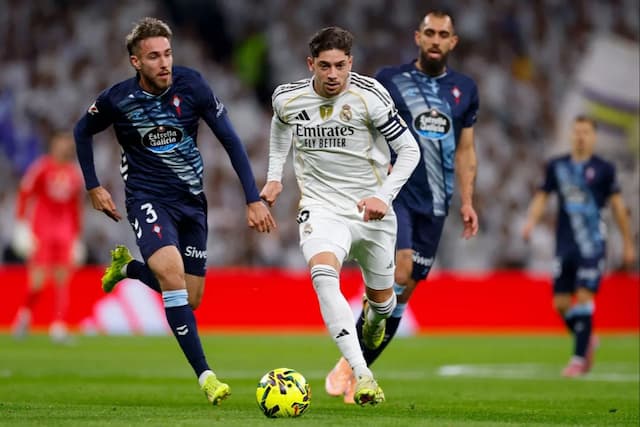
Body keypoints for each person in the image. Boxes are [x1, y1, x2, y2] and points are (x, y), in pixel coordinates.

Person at [73, 17, 276, 405]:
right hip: (147, 198)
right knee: (171, 273)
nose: (164, 62)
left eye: (167, 54)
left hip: (191, 202)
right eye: (154, 56)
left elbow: (230, 140)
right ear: (136, 62)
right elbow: (82, 131)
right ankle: (207, 377)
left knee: (191, 296)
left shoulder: (192, 85)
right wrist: (93, 185)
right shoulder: (117, 99)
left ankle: (128, 268)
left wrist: (253, 198)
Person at [324, 11, 480, 403]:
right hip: (396, 194)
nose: (435, 39)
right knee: (402, 269)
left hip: (437, 202)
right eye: (429, 32)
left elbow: (466, 150)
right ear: (417, 37)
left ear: (453, 42)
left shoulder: (464, 89)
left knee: (403, 293)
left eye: (443, 34)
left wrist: (468, 201)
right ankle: (353, 361)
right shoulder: (390, 80)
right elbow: (364, 126)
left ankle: (355, 371)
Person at [260, 26, 420, 406]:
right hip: (321, 207)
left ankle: (375, 318)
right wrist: (274, 176)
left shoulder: (370, 96)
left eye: (340, 66)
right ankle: (363, 375)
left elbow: (410, 150)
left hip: (371, 211)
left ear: (351, 62)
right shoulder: (287, 98)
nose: (333, 74)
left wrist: (383, 196)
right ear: (310, 64)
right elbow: (280, 127)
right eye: (325, 66)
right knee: (322, 275)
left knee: (383, 303)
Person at [521, 115, 636, 377]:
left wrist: (628, 243)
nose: (581, 136)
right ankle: (587, 337)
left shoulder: (604, 169)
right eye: (577, 132)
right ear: (571, 135)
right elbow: (542, 196)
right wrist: (530, 222)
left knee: (584, 296)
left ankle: (578, 359)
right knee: (561, 304)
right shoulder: (557, 166)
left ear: (594, 137)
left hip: (592, 244)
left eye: (586, 132)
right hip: (565, 244)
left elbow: (618, 207)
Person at [11, 131, 84, 343]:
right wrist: (21, 225)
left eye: (67, 144)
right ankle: (24, 316)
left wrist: (77, 237)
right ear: (53, 145)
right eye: (61, 143)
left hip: (65, 231)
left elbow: (75, 207)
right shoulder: (42, 167)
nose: (64, 148)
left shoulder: (73, 174)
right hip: (42, 229)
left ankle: (58, 325)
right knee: (38, 281)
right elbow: (25, 193)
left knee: (63, 279)